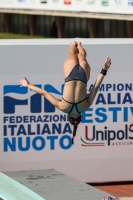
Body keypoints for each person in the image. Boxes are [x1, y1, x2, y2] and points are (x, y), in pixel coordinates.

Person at [20, 41, 111, 145]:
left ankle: (80, 45)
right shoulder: (63, 107)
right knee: (72, 54)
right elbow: (44, 93)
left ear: (80, 115)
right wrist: (28, 85)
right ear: (68, 116)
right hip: (70, 74)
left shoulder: (85, 107)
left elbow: (95, 87)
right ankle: (73, 44)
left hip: (83, 75)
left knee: (82, 55)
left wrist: (104, 69)